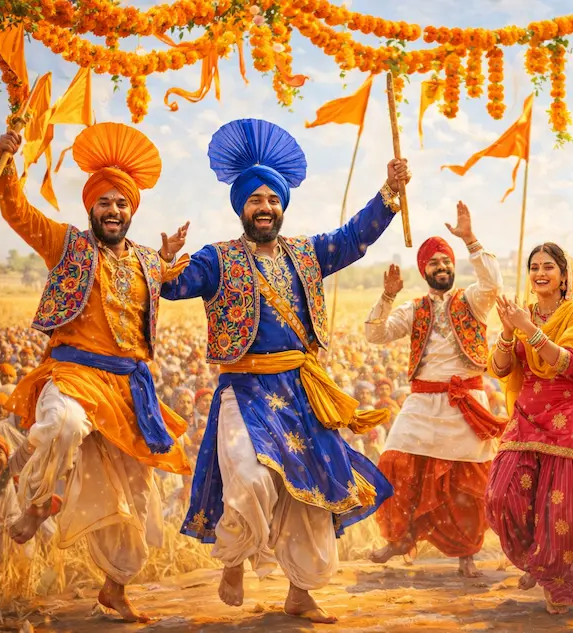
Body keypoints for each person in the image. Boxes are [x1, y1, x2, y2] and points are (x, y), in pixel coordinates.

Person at [162, 118, 410, 623]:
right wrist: (166, 263)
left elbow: (353, 237)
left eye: (272, 200)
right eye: (254, 200)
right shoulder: (218, 259)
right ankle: (234, 558)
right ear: (241, 208)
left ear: (282, 206)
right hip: (244, 389)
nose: (265, 208)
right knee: (250, 479)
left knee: (310, 497)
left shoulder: (306, 253)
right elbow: (175, 286)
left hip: (300, 390)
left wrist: (390, 192)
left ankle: (300, 590)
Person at [0, 123, 192, 622]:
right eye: (104, 202)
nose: (113, 210)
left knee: (139, 503)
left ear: (131, 211)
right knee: (62, 425)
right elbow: (18, 213)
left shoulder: (146, 260)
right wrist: (7, 165)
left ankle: (115, 587)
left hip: (129, 390)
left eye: (121, 203)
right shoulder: (67, 245)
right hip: (75, 373)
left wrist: (166, 258)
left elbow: (166, 273)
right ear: (91, 209)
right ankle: (38, 502)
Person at [365, 204, 503, 578]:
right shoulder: (414, 309)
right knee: (396, 461)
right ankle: (399, 539)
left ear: (453, 266)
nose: (441, 267)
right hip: (423, 402)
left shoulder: (473, 300)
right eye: (434, 263)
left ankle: (466, 553)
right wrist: (388, 297)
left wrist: (470, 238)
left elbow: (493, 283)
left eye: (446, 261)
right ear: (424, 270)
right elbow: (375, 334)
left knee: (467, 479)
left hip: (466, 402)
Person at [485, 243, 573, 615]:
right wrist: (510, 332)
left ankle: (558, 582)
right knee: (500, 497)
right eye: (535, 267)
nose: (540, 273)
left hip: (568, 421)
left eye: (548, 267)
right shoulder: (522, 314)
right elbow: (500, 368)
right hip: (525, 416)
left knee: (560, 511)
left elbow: (568, 365)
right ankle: (536, 561)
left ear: (562, 276)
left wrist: (529, 330)